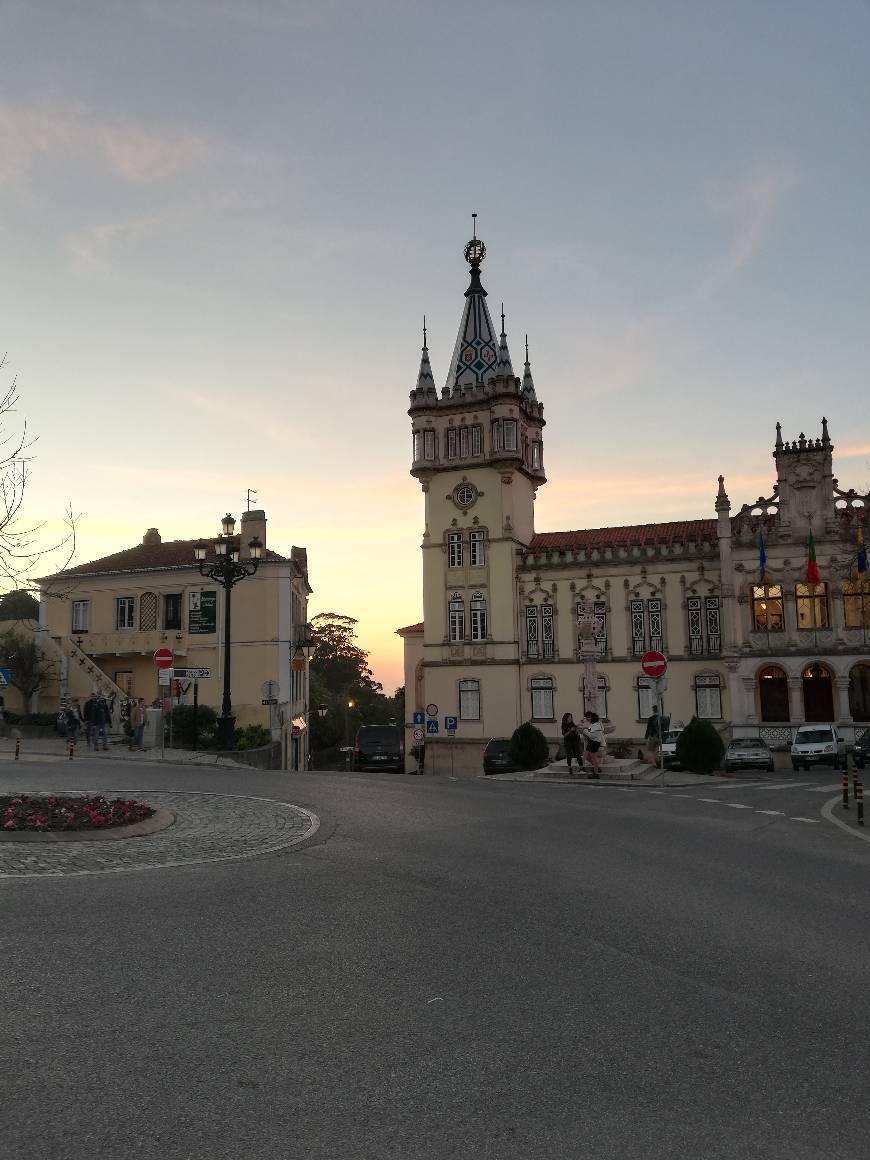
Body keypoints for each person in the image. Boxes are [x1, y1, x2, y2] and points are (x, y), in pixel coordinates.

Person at [582, 711, 604, 779]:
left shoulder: (596, 725)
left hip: (594, 743)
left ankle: (596, 774)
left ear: (592, 718)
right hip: (592, 742)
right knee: (588, 756)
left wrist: (584, 731)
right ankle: (596, 767)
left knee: (593, 758)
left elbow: (592, 736)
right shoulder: (594, 724)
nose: (587, 719)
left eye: (588, 718)